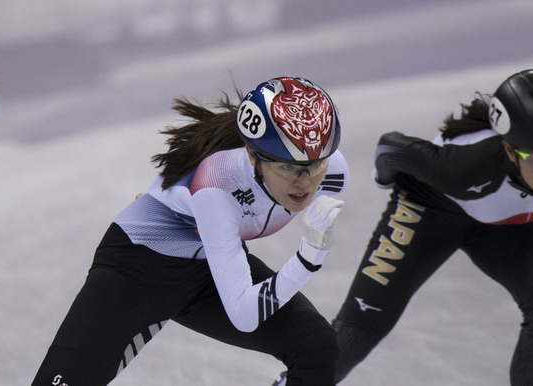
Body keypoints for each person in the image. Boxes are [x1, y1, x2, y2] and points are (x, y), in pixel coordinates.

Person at [32, 76, 350, 385]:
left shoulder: (332, 172)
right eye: (288, 167)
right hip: (139, 265)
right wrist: (308, 258)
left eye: (316, 164)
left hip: (208, 265)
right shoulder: (217, 188)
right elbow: (244, 314)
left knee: (316, 346)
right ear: (252, 154)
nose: (305, 181)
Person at [331, 69, 533, 385]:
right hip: (431, 205)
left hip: (500, 223)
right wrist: (385, 182)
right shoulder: (460, 167)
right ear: (509, 149)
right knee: (362, 323)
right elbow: (390, 149)